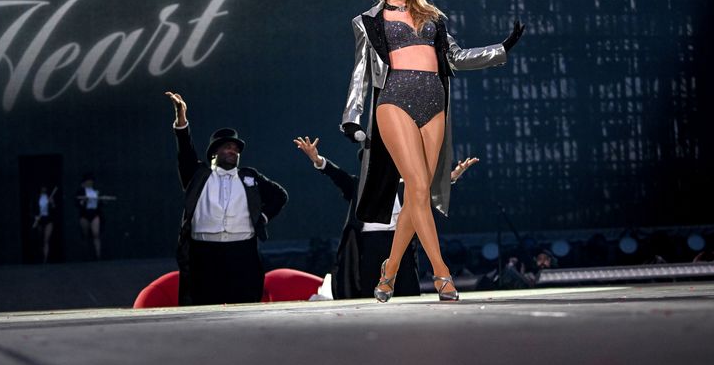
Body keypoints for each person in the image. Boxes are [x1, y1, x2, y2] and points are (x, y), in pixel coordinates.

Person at [341, 0, 524, 302]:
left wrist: (502, 48)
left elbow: (455, 58)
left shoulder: (433, 18)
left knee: (417, 194)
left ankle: (388, 271)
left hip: (434, 102)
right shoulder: (367, 21)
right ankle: (442, 274)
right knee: (418, 186)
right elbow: (360, 70)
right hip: (394, 99)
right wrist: (351, 116)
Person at [293, 134, 481, 299]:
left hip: (399, 240)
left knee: (407, 287)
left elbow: (429, 189)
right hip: (370, 244)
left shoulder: (403, 185)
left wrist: (454, 175)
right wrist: (317, 159)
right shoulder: (358, 185)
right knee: (370, 287)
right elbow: (336, 174)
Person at [166, 91, 289, 306]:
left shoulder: (249, 176)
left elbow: (280, 196)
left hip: (242, 252)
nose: (232, 150)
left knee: (243, 304)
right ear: (214, 152)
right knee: (203, 305)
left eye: (235, 148)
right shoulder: (199, 175)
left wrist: (263, 218)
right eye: (227, 147)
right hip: (205, 253)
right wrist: (181, 118)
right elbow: (185, 151)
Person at [76, 175, 115, 259]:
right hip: (85, 214)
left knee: (96, 234)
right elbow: (77, 203)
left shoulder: (96, 191)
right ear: (84, 182)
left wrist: (104, 201)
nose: (90, 182)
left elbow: (100, 203)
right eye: (88, 181)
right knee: (85, 235)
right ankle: (86, 255)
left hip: (94, 213)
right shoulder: (80, 191)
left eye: (91, 181)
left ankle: (98, 256)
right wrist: (83, 201)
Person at [33, 186, 56, 263]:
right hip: (39, 220)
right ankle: (39, 257)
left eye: (45, 187)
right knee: (39, 240)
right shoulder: (36, 198)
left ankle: (45, 260)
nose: (44, 189)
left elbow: (54, 209)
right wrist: (35, 216)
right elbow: (32, 209)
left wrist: (52, 203)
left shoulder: (50, 197)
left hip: (48, 220)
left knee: (46, 240)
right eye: (42, 187)